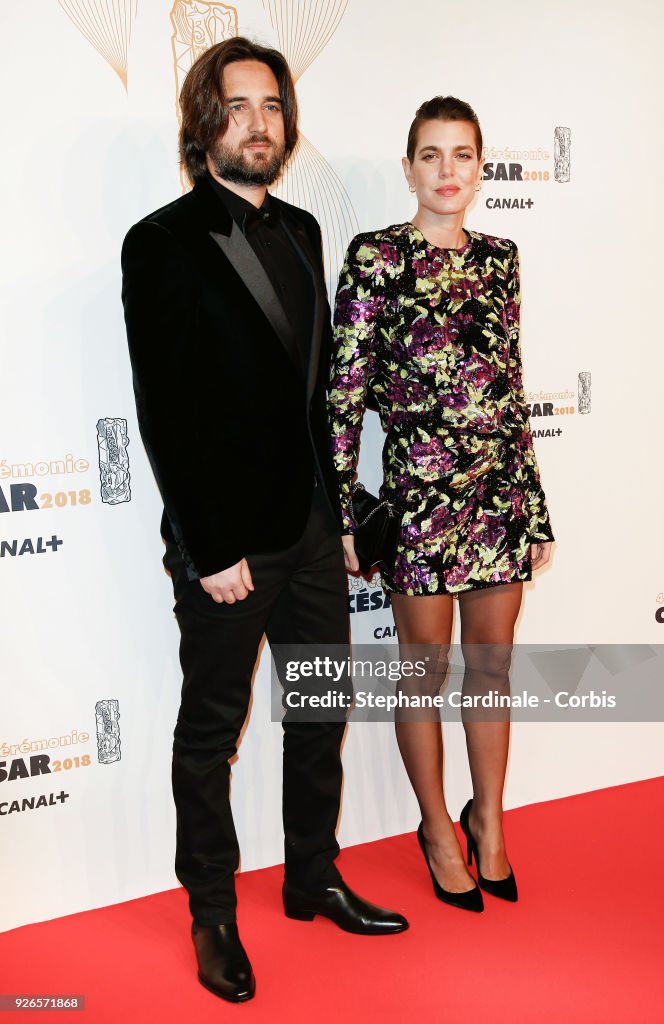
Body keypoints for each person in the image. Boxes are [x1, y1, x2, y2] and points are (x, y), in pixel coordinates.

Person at [121, 37, 408, 1005]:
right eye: (236, 106)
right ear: (203, 122)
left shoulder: (300, 231)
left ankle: (311, 872)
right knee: (211, 729)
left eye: (271, 107)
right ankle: (210, 908)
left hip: (309, 533)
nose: (257, 122)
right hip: (227, 552)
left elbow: (315, 392)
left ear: (287, 124)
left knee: (319, 711)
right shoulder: (158, 241)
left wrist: (335, 514)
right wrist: (210, 547)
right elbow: (165, 410)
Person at [328, 96, 554, 913]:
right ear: (408, 167)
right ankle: (433, 827)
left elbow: (509, 387)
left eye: (462, 155)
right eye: (431, 155)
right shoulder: (375, 258)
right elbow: (343, 393)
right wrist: (347, 511)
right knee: (422, 678)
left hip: (497, 496)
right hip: (419, 502)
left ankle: (487, 820)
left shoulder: (501, 258)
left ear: (480, 166)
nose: (447, 171)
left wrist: (531, 506)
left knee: (488, 672)